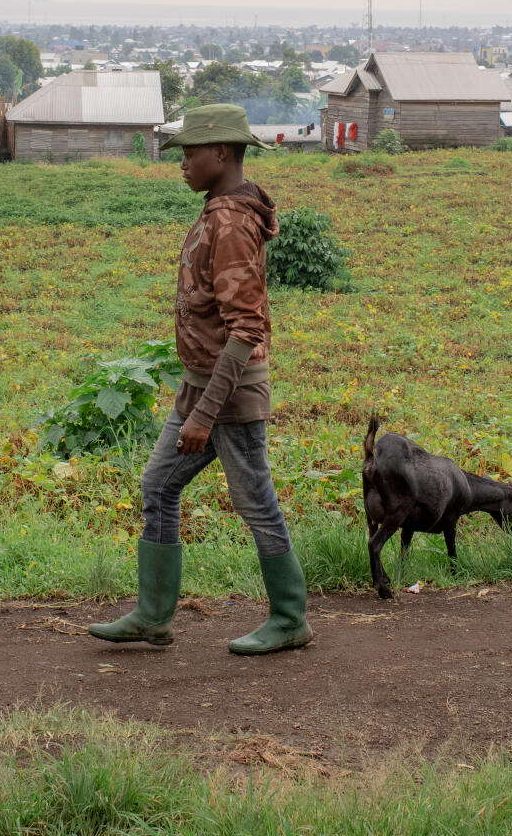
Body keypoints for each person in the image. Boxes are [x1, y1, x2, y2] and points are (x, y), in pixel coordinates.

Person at [90, 103, 314, 655]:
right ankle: (152, 617)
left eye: (190, 153)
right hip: (203, 386)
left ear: (221, 153)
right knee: (159, 487)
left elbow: (246, 329)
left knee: (254, 500)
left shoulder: (233, 224)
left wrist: (205, 413)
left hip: (228, 392)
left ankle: (289, 619)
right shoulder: (219, 211)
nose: (182, 163)